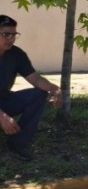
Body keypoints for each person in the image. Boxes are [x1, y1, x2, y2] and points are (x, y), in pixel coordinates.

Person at [0, 15, 61, 161]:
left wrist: (54, 88)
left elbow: (35, 78)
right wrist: (1, 116)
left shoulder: (16, 54)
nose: (11, 38)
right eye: (6, 34)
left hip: (4, 100)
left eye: (14, 34)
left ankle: (17, 144)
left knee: (38, 95)